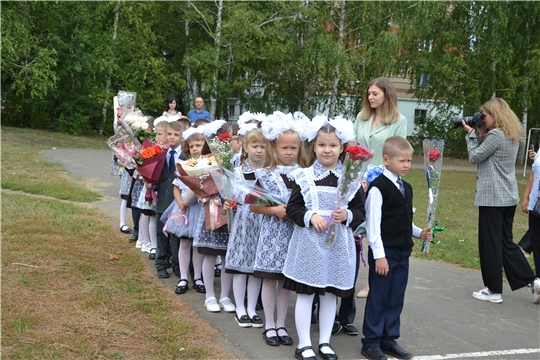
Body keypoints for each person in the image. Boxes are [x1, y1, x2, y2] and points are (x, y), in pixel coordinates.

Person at [283, 116, 365, 360]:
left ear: (342, 149)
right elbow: (293, 208)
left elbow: (360, 210)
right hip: (309, 243)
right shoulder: (304, 177)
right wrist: (310, 216)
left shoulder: (349, 179)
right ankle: (305, 344)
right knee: (307, 294)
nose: (327, 150)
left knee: (330, 294)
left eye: (332, 145)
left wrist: (347, 214)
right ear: (314, 147)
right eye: (321, 145)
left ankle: (326, 342)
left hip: (338, 244)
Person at [461, 97, 540, 304]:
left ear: (495, 115)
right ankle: (532, 280)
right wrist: (479, 132)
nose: (482, 119)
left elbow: (475, 157)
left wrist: (471, 135)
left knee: (490, 244)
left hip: (493, 197)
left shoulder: (495, 134)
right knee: (505, 242)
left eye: (484, 115)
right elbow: (487, 152)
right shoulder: (511, 134)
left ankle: (493, 290)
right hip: (507, 196)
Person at [361, 136, 432, 360]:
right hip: (385, 253)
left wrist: (418, 232)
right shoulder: (377, 188)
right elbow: (373, 227)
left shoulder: (406, 187)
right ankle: (371, 341)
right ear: (386, 159)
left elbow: (403, 220)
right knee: (379, 296)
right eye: (402, 161)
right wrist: (380, 256)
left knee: (395, 297)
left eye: (410, 161)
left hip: (403, 253)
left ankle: (388, 339)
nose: (407, 165)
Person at [251, 112, 309, 346]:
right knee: (269, 280)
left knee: (286, 283)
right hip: (272, 236)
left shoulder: (304, 175)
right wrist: (274, 210)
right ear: (273, 148)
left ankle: (282, 324)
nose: (289, 152)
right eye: (284, 147)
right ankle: (269, 324)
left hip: (294, 236)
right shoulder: (264, 175)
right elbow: (253, 205)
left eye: (293, 148)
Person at [353, 77, 408, 301]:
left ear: (387, 94)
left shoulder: (399, 120)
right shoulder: (362, 117)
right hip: (358, 179)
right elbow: (354, 147)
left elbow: (397, 151)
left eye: (375, 93)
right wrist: (356, 177)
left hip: (382, 179)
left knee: (377, 230)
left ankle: (371, 282)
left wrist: (375, 177)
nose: (370, 97)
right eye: (368, 94)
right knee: (357, 230)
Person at [224, 126, 266, 328]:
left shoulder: (269, 172)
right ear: (245, 147)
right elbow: (232, 195)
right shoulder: (238, 172)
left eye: (263, 146)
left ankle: (251, 308)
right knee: (241, 268)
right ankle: (240, 307)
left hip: (262, 223)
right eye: (255, 146)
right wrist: (229, 202)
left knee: (256, 268)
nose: (259, 150)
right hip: (243, 223)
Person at [161, 130, 207, 295]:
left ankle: (198, 277)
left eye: (199, 145)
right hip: (184, 209)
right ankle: (183, 277)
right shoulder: (184, 166)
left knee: (198, 246)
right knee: (184, 243)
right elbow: (176, 186)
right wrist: (180, 202)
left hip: (200, 209)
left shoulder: (208, 166)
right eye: (192, 146)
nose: (195, 148)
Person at [154, 121, 186, 279]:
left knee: (175, 235)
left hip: (177, 200)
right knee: (160, 232)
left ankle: (177, 264)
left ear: (182, 137)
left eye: (176, 135)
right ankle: (161, 263)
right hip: (162, 196)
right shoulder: (158, 152)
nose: (172, 137)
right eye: (169, 134)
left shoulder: (185, 156)